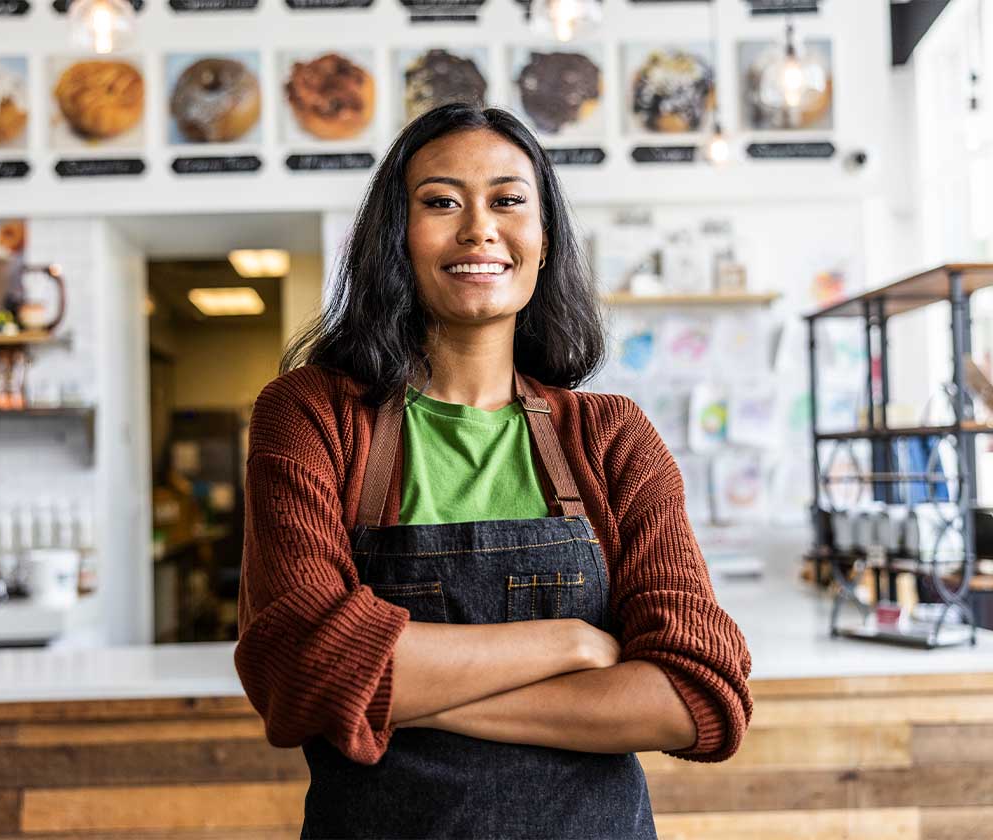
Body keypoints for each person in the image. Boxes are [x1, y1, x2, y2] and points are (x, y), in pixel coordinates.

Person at [234, 102, 753, 839]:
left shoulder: (612, 437)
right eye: (441, 201)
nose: (479, 227)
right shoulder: (314, 415)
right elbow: (302, 669)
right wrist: (568, 645)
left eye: (508, 200)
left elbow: (696, 695)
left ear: (543, 241)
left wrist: (388, 689)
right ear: (396, 240)